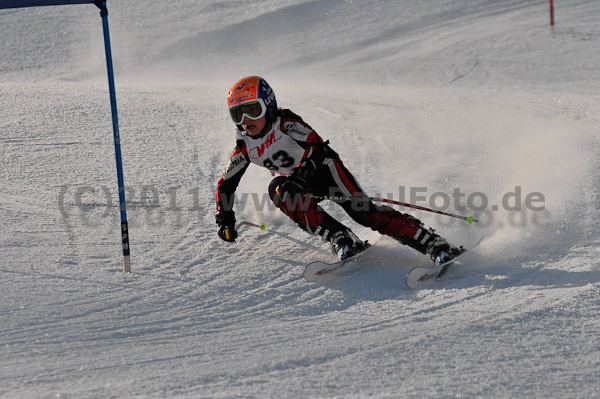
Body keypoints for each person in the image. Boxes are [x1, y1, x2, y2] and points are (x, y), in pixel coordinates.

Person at [215, 76, 463, 264]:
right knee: (278, 189)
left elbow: (318, 148)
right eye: (238, 114)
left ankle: (432, 242)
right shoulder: (245, 147)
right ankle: (340, 237)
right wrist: (225, 219)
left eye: (253, 110)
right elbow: (225, 184)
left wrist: (302, 175)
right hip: (301, 185)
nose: (246, 120)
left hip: (326, 170)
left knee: (365, 213)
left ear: (268, 106)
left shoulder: (286, 124)